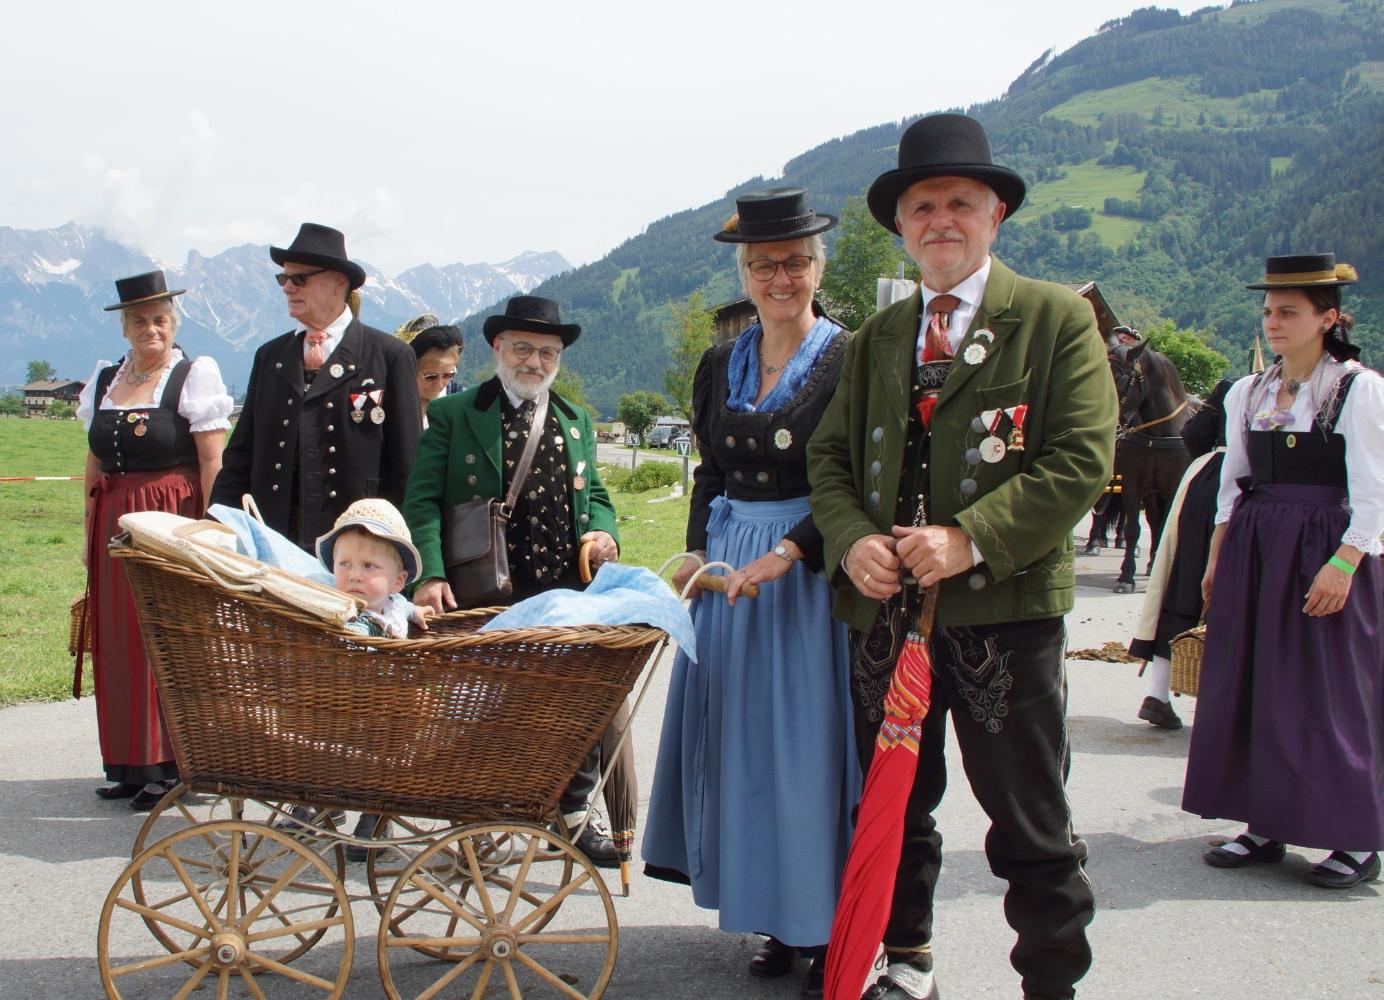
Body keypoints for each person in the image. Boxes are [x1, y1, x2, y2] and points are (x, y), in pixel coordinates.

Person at [807, 113, 1116, 1000]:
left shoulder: (1054, 318)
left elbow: (1080, 459)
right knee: (895, 807)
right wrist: (853, 538)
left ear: (996, 215)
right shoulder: (878, 335)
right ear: (901, 226)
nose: (940, 219)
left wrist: (970, 537)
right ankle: (907, 964)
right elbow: (828, 459)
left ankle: (1050, 985)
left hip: (1002, 616)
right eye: (921, 206)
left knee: (1029, 820)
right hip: (885, 618)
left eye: (960, 203)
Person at [642, 188, 857, 1000]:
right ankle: (774, 914)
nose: (781, 278)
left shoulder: (848, 357)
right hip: (731, 568)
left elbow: (861, 483)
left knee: (802, 750)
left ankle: (827, 925)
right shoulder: (719, 362)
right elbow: (712, 474)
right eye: (765, 264)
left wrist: (797, 548)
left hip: (808, 573)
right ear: (745, 270)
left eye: (796, 262)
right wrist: (695, 550)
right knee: (742, 744)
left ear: (816, 267)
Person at [1186, 253, 1384, 889]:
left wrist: (1345, 561)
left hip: (1326, 546)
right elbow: (1232, 484)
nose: (1273, 322)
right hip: (1256, 546)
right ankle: (1262, 822)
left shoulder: (1358, 388)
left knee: (1329, 690)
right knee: (1253, 678)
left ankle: (1354, 835)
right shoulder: (1250, 391)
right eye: (1269, 311)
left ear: (1327, 318)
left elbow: (1375, 488)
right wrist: (1218, 557)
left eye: (1288, 312)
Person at [403, 294, 622, 866]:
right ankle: (473, 814)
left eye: (547, 352)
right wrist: (428, 573)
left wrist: (605, 536)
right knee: (479, 705)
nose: (534, 361)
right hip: (482, 589)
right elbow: (421, 500)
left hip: (560, 591)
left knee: (574, 704)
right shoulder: (456, 414)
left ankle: (575, 812)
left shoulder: (575, 421)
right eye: (522, 348)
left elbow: (596, 496)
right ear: (497, 348)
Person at [79, 271, 232, 810]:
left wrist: (212, 530)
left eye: (161, 318)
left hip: (170, 516)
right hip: (113, 522)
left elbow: (212, 459)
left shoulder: (193, 374)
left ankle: (171, 764)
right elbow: (95, 463)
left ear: (174, 322)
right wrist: (85, 533)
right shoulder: (105, 379)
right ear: (125, 327)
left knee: (162, 638)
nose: (152, 328)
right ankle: (126, 761)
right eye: (141, 320)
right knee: (117, 641)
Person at [210, 223, 421, 549]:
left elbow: (406, 467)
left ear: (338, 282)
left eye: (299, 279)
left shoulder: (389, 356)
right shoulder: (270, 356)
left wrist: (396, 552)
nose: (287, 288)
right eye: (284, 278)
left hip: (354, 548)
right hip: (272, 541)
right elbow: (241, 456)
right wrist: (217, 527)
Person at [1127, 377, 1233, 729]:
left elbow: (1194, 436)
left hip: (1208, 482)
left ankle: (1158, 693)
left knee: (1182, 581)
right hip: (1257, 486)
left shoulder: (1236, 385)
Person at [316, 499, 429, 639]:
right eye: (344, 564)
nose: (354, 576)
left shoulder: (394, 604)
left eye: (369, 566)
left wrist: (416, 612)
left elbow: (405, 606)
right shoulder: (341, 618)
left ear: (398, 582)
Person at [396, 314, 464, 427]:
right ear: (407, 370)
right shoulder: (387, 401)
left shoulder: (462, 403)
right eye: (431, 376)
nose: (440, 384)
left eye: (448, 375)